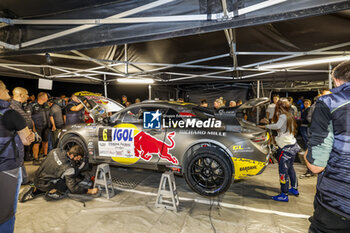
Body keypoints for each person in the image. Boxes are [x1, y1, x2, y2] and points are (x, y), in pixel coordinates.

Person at [304, 60, 350, 232]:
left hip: (337, 205)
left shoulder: (330, 102)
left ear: (336, 80)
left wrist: (307, 153)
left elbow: (316, 165)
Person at [0, 80, 35, 233]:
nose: (7, 91)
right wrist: (32, 136)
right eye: (5, 89)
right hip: (7, 168)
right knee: (6, 212)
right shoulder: (11, 113)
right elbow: (26, 140)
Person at [19, 145, 98, 202]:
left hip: (37, 176)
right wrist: (89, 191)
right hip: (45, 184)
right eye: (79, 158)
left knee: (56, 174)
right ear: (72, 155)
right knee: (66, 185)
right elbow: (73, 189)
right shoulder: (68, 168)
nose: (79, 160)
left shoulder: (56, 150)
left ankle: (34, 189)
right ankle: (51, 192)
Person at [261, 98, 300, 202]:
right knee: (290, 168)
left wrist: (266, 125)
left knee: (283, 171)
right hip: (293, 145)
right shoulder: (289, 115)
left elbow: (277, 126)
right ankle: (294, 188)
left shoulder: (283, 116)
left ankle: (284, 194)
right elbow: (281, 127)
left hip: (285, 148)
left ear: (280, 107)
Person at [28, 92, 50, 165]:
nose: (48, 98)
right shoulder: (32, 105)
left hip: (46, 127)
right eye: (47, 97)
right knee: (37, 142)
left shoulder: (46, 105)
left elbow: (49, 115)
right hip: (37, 127)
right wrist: (33, 129)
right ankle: (36, 158)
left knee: (45, 141)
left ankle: (45, 156)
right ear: (43, 97)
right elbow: (29, 118)